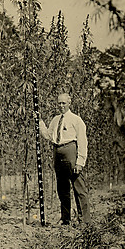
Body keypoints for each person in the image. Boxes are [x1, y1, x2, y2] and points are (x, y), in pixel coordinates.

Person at [39, 93, 91, 225]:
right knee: (62, 188)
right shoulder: (56, 120)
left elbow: (82, 141)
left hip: (71, 153)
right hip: (57, 153)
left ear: (69, 103)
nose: (61, 106)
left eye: (64, 103)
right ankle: (65, 218)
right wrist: (40, 122)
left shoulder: (76, 120)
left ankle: (84, 221)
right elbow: (48, 135)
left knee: (79, 188)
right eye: (59, 103)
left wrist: (80, 162)